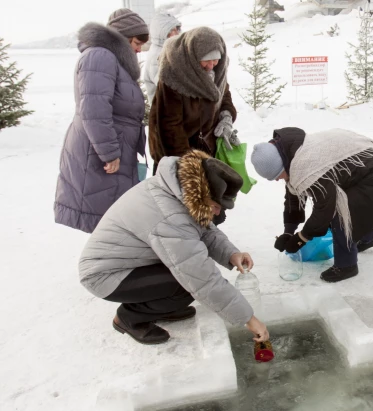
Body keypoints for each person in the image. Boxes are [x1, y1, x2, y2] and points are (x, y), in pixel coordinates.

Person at [78, 149, 269, 345]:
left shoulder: (180, 189)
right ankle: (129, 318)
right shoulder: (169, 215)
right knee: (186, 284)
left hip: (131, 263)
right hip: (105, 275)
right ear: (203, 193)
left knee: (186, 280)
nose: (218, 211)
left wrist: (231, 254)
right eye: (217, 204)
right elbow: (201, 279)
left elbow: (203, 230)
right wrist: (249, 319)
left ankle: (162, 306)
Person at [251, 128, 373, 282]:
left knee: (341, 213)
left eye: (277, 176)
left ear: (282, 165)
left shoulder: (307, 166)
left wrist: (301, 238)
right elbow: (294, 196)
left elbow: (325, 209)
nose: (278, 180)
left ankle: (346, 265)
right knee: (353, 206)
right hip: (367, 165)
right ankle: (370, 237)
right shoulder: (290, 152)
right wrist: (288, 232)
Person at [54, 8, 149, 233]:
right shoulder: (100, 56)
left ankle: (112, 263)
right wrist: (109, 152)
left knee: (113, 219)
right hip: (101, 153)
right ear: (123, 37)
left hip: (111, 149)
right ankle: (104, 266)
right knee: (108, 220)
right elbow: (94, 109)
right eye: (138, 41)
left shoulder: (112, 59)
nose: (140, 48)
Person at [149, 27, 240, 174]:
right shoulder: (173, 74)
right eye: (206, 61)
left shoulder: (218, 70)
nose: (211, 66)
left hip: (206, 147)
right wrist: (188, 165)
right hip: (176, 152)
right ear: (194, 57)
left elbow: (224, 94)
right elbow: (170, 126)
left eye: (215, 60)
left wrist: (226, 116)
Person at [143, 12, 181, 103]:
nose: (176, 33)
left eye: (177, 29)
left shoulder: (170, 49)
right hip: (165, 110)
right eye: (171, 30)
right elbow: (166, 84)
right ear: (160, 32)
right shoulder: (157, 54)